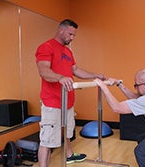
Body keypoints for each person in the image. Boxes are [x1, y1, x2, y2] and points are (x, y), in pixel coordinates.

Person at [35, 19, 106, 167]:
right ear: (61, 30)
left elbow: (76, 70)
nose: (72, 38)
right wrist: (60, 77)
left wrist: (96, 75)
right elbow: (43, 71)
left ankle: (69, 155)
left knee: (67, 132)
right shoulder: (46, 47)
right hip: (52, 102)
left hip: (68, 101)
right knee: (47, 140)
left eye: (74, 35)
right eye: (70, 34)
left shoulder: (67, 51)